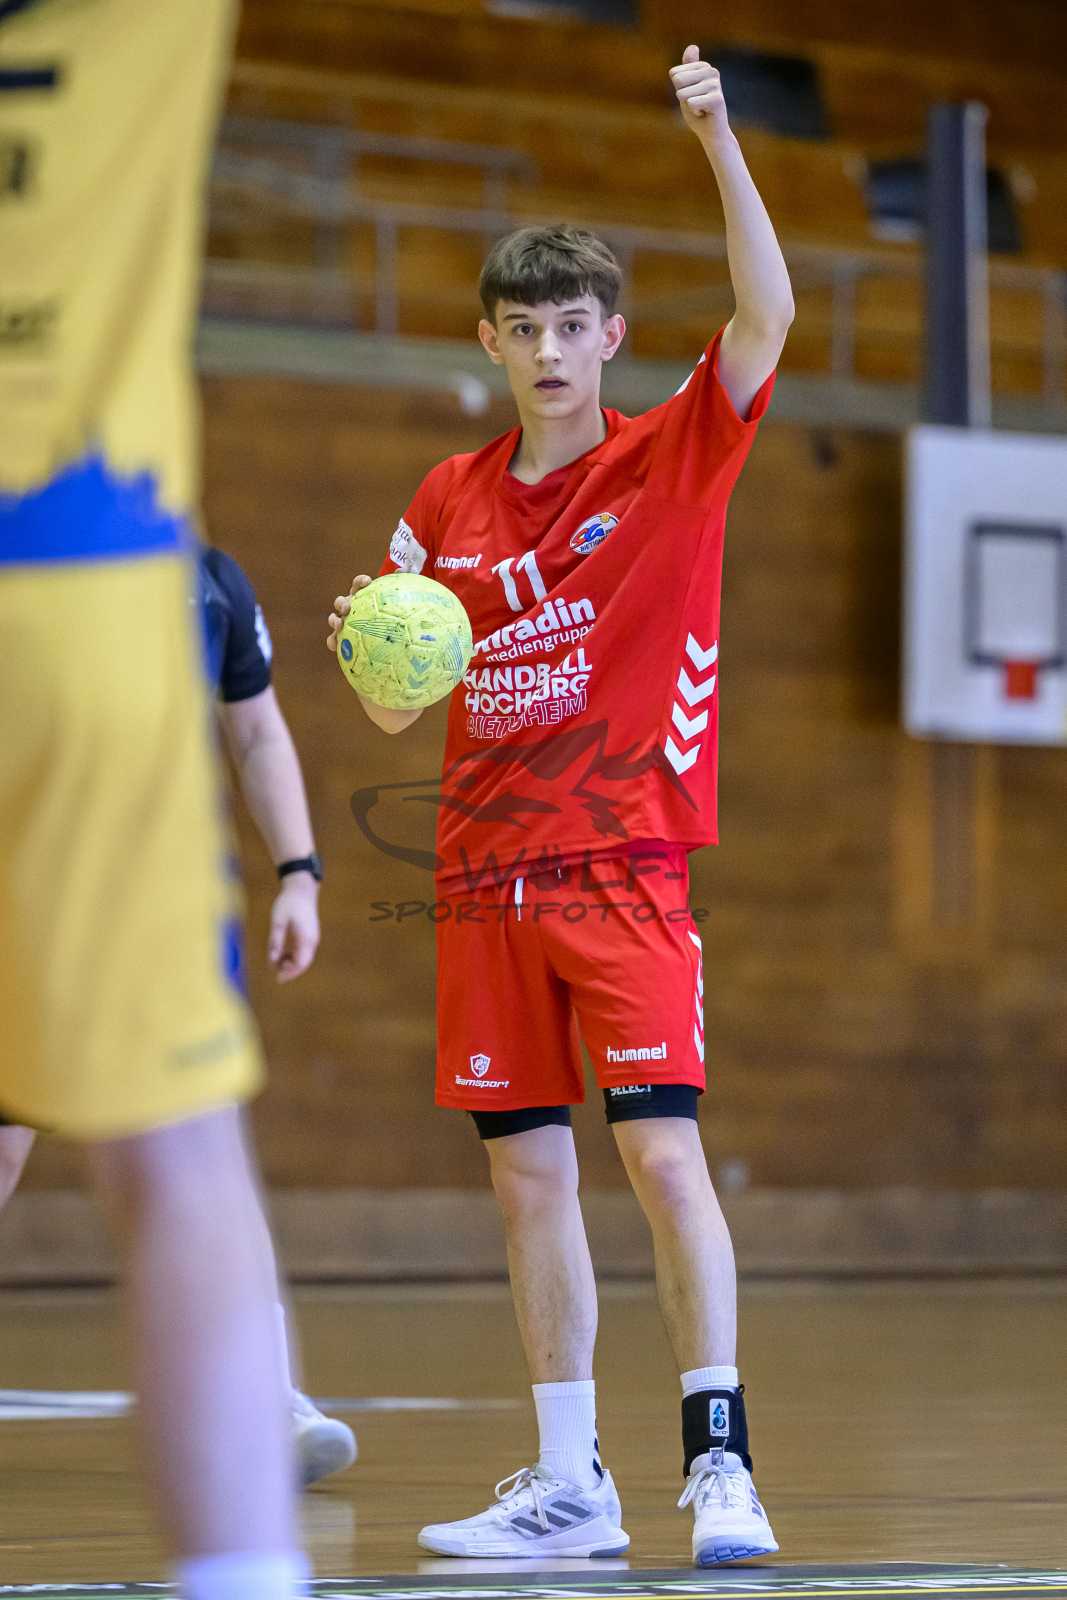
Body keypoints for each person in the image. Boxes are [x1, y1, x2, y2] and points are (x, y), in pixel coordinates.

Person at [328, 47, 793, 1566]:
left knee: (659, 1157)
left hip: (622, 861)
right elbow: (392, 711)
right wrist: (372, 643)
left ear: (608, 338)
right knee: (527, 1176)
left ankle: (717, 1460)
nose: (545, 350)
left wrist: (715, 140)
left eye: (570, 327)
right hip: (479, 875)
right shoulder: (444, 500)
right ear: (488, 339)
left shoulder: (672, 457)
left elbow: (766, 316)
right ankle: (566, 1481)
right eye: (520, 328)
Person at [1, 1, 306, 1595]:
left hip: (106, 588)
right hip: (72, 572)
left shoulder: (231, 594)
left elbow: (261, 733)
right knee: (176, 1160)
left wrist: (303, 860)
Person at [0, 541, 357, 1489]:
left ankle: (271, 1398)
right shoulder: (33, 549)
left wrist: (298, 873)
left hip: (162, 904)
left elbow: (256, 730)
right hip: (30, 894)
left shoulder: (210, 579)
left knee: (204, 1144)